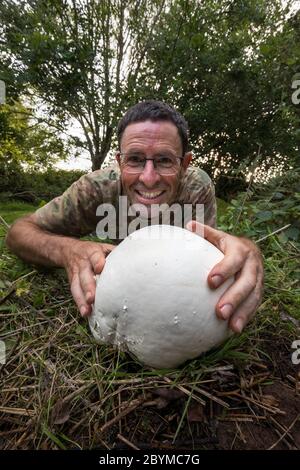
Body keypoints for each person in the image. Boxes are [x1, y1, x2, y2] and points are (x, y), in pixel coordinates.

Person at [6, 100, 263, 333]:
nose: (148, 178)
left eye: (164, 160)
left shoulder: (196, 188)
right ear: (119, 162)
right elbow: (20, 232)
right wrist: (68, 251)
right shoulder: (98, 188)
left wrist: (249, 251)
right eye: (135, 159)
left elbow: (209, 256)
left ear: (184, 165)